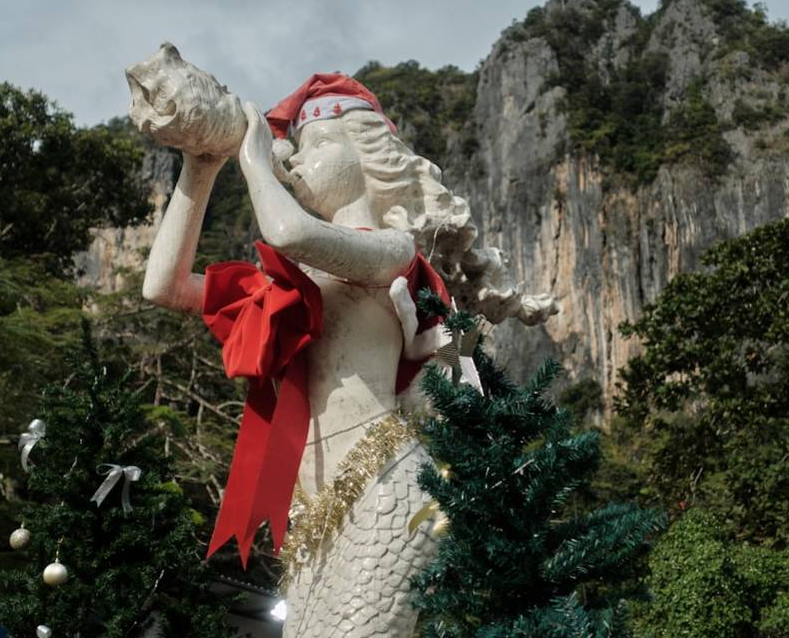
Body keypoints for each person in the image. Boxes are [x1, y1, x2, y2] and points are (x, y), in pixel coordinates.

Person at [142, 73, 554, 637]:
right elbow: (163, 286)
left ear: (370, 157)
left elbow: (287, 232)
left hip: (387, 487)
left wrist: (255, 160)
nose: (297, 164)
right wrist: (202, 163)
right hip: (315, 517)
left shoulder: (391, 250)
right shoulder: (292, 283)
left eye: (318, 147)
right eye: (295, 153)